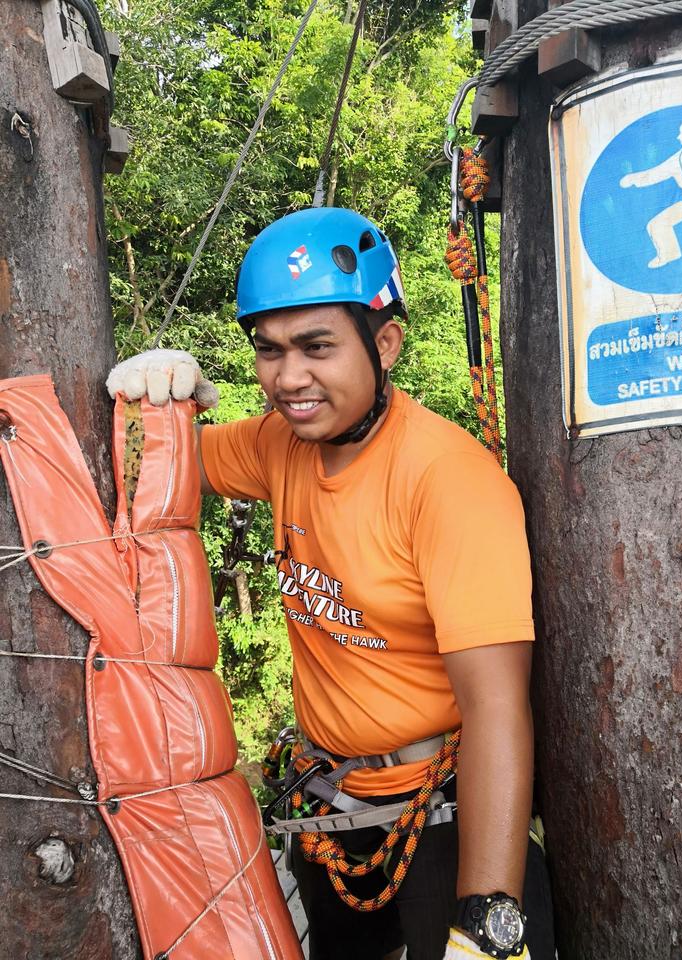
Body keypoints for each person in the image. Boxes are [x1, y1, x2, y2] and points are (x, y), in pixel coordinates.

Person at [107, 207, 554, 960]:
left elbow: (497, 708)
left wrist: (487, 916)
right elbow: (149, 473)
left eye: (317, 347)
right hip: (329, 812)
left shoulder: (447, 483)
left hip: (442, 816)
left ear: (386, 344)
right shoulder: (279, 446)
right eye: (269, 351)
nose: (288, 379)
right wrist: (155, 399)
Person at [620, 117, 682, 281]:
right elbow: (656, 173)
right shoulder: (679, 157)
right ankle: (669, 253)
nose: (678, 137)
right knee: (657, 224)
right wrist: (633, 179)